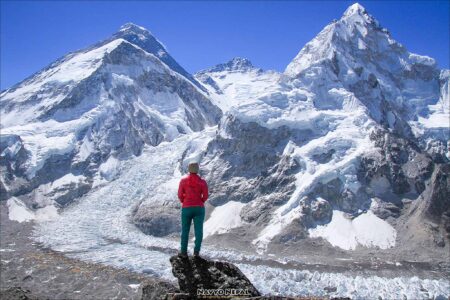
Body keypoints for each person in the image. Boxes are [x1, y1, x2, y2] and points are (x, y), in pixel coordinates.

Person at [177, 162, 208, 257]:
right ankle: (196, 252)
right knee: (199, 231)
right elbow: (205, 195)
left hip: (186, 208)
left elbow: (179, 194)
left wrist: (184, 201)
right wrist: (200, 201)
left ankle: (183, 252)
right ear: (197, 170)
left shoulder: (183, 181)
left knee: (185, 230)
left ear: (189, 169)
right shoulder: (202, 182)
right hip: (199, 208)